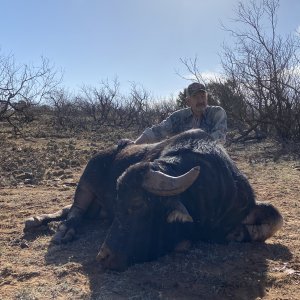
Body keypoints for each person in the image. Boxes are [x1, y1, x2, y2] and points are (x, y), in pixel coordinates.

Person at [122, 82, 227, 146]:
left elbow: (219, 138)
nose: (201, 100)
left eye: (203, 96)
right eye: (196, 97)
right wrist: (135, 144)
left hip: (211, 156)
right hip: (183, 157)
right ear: (188, 102)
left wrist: (191, 144)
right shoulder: (178, 116)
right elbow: (157, 130)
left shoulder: (217, 112)